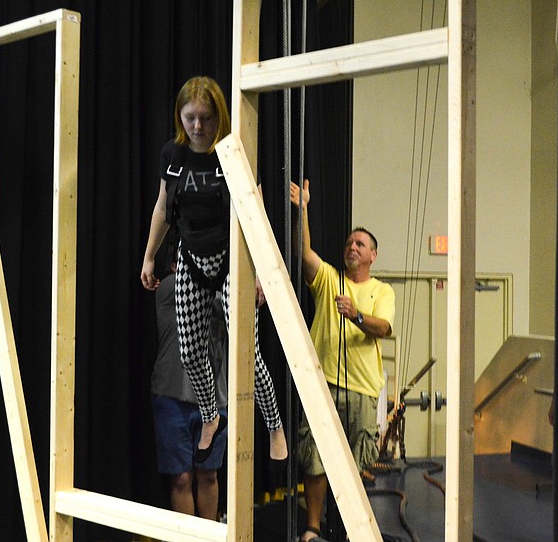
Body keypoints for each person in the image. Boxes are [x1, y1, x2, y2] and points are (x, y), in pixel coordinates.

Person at [141, 76, 287, 465]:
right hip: (190, 259)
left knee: (248, 355)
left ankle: (273, 425)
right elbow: (161, 208)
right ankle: (209, 414)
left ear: (217, 116)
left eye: (205, 118)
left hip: (231, 263)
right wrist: (149, 256)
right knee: (190, 354)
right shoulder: (172, 155)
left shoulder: (233, 154)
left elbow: (257, 216)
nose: (198, 127)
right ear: (180, 116)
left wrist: (261, 273)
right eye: (190, 118)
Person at [289, 179, 395, 542]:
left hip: (362, 388)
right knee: (314, 456)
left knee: (356, 460)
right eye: (350, 242)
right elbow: (305, 255)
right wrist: (303, 208)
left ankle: (354, 526)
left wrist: (357, 316)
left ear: (372, 256)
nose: (352, 246)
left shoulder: (381, 290)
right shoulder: (329, 279)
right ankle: (312, 529)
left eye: (360, 244)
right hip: (322, 383)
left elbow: (384, 328)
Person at [151, 259, 228, 520]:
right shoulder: (167, 290)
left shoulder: (220, 292)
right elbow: (205, 292)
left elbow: (235, 303)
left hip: (215, 399)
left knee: (209, 475)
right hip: (173, 398)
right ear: (175, 265)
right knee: (181, 478)